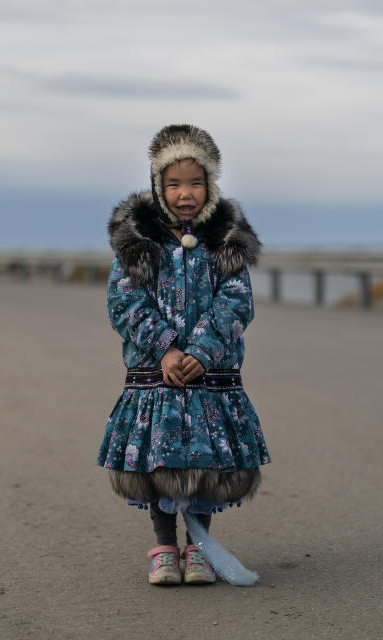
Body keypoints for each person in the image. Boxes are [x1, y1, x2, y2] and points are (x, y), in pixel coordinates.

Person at [97, 124, 271, 585]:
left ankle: (198, 549)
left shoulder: (225, 240)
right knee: (159, 458)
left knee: (203, 458)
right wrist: (165, 349)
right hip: (157, 373)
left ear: (211, 185)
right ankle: (165, 548)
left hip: (208, 373)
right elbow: (124, 301)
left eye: (195, 182)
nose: (185, 193)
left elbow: (237, 300)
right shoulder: (137, 242)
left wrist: (202, 351)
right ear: (158, 186)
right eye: (174, 183)